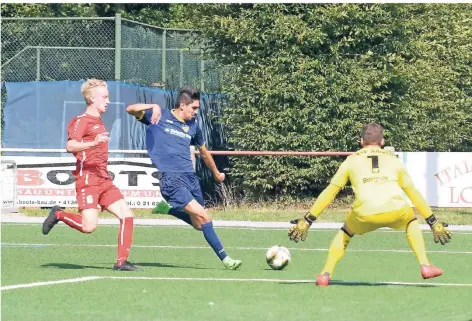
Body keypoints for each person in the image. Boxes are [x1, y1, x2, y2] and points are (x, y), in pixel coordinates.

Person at [288, 123, 452, 286]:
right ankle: (425, 265)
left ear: (361, 141)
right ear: (383, 142)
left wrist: (308, 220)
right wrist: (433, 222)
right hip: (395, 210)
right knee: (411, 221)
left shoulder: (350, 161)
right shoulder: (394, 160)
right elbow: (412, 192)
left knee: (345, 232)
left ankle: (325, 274)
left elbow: (330, 192)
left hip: (364, 214)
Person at [126, 86, 242, 270]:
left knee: (199, 224)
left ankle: (168, 210)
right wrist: (153, 106)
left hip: (190, 178)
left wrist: (216, 173)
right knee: (204, 216)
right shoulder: (159, 117)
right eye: (194, 108)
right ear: (182, 105)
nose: (196, 112)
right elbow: (130, 109)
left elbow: (204, 152)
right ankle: (226, 259)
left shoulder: (193, 127)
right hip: (171, 180)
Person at [42, 79, 140, 271]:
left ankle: (121, 262)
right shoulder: (81, 121)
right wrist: (93, 143)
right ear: (91, 98)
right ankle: (59, 214)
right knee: (89, 227)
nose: (108, 100)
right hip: (87, 178)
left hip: (103, 179)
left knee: (127, 216)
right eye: (104, 97)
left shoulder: (98, 122)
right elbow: (70, 146)